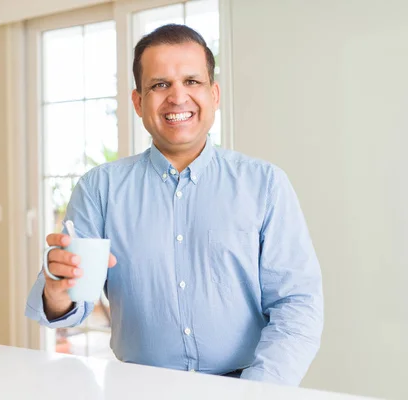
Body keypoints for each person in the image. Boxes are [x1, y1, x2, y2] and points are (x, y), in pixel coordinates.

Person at [25, 24, 323, 386]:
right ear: (138, 101)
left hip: (246, 384)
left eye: (192, 81)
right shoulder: (99, 188)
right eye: (160, 84)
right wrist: (58, 291)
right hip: (135, 387)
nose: (177, 97)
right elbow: (70, 305)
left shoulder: (265, 184)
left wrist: (254, 392)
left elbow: (297, 305)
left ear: (214, 94)